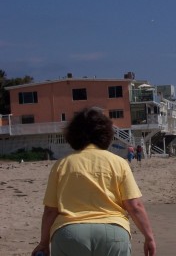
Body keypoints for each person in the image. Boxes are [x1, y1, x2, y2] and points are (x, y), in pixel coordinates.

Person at [31, 107, 156, 256]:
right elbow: (135, 206)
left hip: (69, 233)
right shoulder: (118, 163)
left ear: (73, 134)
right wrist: (149, 237)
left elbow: (51, 210)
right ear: (106, 134)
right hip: (113, 233)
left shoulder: (62, 164)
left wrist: (44, 242)